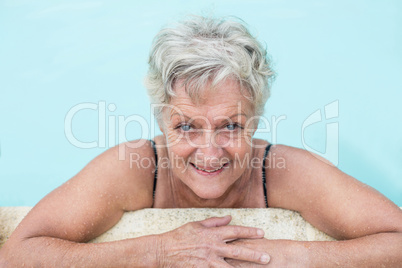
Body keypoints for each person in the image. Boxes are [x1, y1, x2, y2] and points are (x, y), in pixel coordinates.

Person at [1, 15, 401, 267]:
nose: (209, 153)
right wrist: (158, 252)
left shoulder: (282, 171)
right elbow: (17, 253)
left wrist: (298, 255)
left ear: (257, 122)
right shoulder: (136, 169)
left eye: (231, 126)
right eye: (187, 127)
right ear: (161, 120)